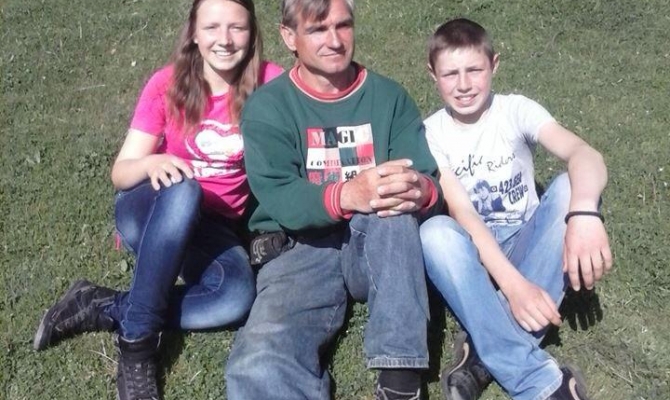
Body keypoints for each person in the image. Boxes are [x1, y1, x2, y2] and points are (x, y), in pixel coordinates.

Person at [33, 1, 282, 399]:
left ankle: (99, 303)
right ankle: (137, 347)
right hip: (152, 213)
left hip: (212, 229)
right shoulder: (167, 84)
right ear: (194, 32)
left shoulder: (271, 83)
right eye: (212, 27)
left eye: (237, 27)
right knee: (185, 189)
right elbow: (121, 172)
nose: (224, 39)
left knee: (236, 297)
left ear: (252, 32)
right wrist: (153, 162)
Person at [223, 0, 442, 399]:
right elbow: (281, 195)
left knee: (392, 205)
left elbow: (427, 176)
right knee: (258, 364)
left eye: (343, 25)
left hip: (377, 242)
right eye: (317, 29)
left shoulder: (388, 97)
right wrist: (346, 194)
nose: (335, 40)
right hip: (299, 248)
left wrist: (420, 190)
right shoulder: (269, 107)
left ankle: (400, 377)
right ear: (289, 37)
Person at [420, 18, 613, 400]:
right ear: (432, 75)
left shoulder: (515, 110)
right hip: (474, 261)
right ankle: (540, 382)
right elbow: (463, 213)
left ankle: (481, 352)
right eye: (450, 74)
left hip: (527, 246)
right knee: (434, 233)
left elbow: (583, 153)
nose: (463, 84)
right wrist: (515, 287)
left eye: (474, 70)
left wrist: (585, 213)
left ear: (494, 65)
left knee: (571, 186)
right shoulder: (431, 133)